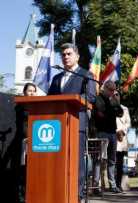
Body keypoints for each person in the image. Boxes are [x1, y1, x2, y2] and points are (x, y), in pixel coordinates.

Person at [48, 43, 96, 201]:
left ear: (77, 56)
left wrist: (73, 102)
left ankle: (77, 193)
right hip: (57, 125)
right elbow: (50, 101)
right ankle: (59, 190)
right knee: (57, 159)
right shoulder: (56, 78)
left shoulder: (86, 75)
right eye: (63, 54)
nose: (65, 57)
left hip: (77, 123)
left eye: (69, 54)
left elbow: (90, 98)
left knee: (76, 160)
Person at [2, 83, 37, 202]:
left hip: (35, 142)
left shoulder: (39, 106)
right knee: (20, 169)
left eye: (33, 91)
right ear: (24, 92)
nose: (31, 93)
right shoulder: (19, 106)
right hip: (21, 141)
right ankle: (20, 195)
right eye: (29, 91)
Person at [93, 80, 123, 193]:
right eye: (110, 89)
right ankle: (96, 185)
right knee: (99, 159)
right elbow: (100, 114)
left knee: (112, 160)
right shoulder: (98, 98)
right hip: (102, 132)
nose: (112, 92)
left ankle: (113, 185)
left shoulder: (113, 99)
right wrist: (112, 111)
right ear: (104, 88)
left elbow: (120, 112)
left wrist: (116, 104)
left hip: (112, 132)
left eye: (114, 90)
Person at [114, 90, 131, 191]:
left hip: (121, 139)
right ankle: (109, 184)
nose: (115, 96)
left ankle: (118, 184)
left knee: (119, 163)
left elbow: (128, 123)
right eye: (113, 94)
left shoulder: (125, 109)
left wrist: (122, 131)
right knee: (109, 162)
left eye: (117, 94)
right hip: (111, 136)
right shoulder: (107, 107)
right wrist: (116, 132)